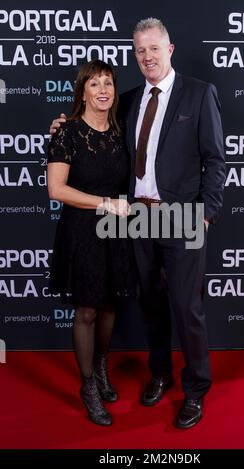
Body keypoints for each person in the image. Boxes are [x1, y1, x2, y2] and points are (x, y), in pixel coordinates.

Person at [50, 17, 226, 430]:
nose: (147, 57)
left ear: (170, 50)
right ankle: (161, 373)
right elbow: (90, 125)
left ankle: (196, 389)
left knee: (188, 308)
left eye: (153, 49)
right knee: (150, 305)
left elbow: (216, 160)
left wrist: (205, 212)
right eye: (139, 51)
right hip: (136, 217)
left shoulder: (200, 94)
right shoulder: (126, 100)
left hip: (182, 216)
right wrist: (62, 125)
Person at [47, 59, 135, 426]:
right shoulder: (66, 132)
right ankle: (87, 387)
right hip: (83, 230)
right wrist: (105, 204)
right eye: (94, 84)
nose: (103, 90)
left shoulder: (120, 130)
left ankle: (101, 369)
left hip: (114, 232)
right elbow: (56, 190)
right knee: (86, 310)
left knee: (110, 305)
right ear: (82, 91)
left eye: (108, 83)